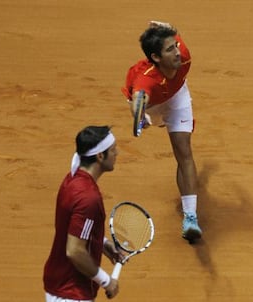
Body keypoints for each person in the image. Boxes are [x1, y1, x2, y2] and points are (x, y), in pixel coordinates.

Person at [121, 21, 202, 243]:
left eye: (176, 45)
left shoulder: (183, 56)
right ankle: (149, 120)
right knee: (144, 112)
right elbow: (138, 99)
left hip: (177, 98)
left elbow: (175, 35)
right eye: (170, 49)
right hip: (151, 106)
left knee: (183, 151)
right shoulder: (145, 78)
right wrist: (140, 117)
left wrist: (170, 27)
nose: (177, 52)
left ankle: (190, 218)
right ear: (156, 57)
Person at [43, 125, 124, 301]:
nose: (117, 153)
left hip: (58, 284)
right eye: (113, 150)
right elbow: (74, 251)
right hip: (71, 292)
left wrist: (101, 243)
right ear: (100, 156)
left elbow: (73, 228)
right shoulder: (89, 198)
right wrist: (106, 281)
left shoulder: (72, 179)